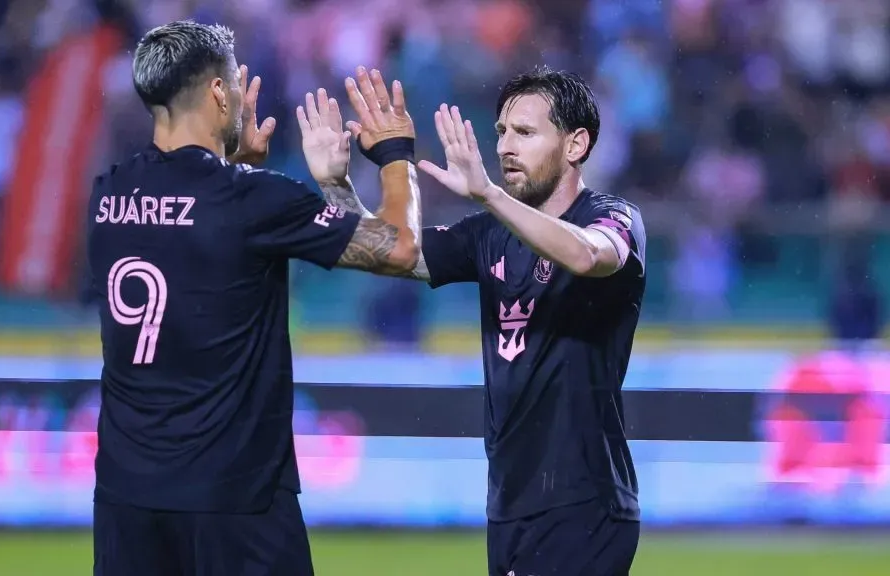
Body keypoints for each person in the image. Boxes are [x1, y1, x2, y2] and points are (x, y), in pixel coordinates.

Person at [85, 21, 420, 576]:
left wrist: (235, 165)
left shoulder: (108, 195)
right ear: (219, 92)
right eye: (236, 84)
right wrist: (395, 153)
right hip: (235, 498)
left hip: (128, 499)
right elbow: (401, 248)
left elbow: (197, 242)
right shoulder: (252, 199)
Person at [317, 67, 645, 575]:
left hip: (584, 501)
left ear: (576, 144)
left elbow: (586, 255)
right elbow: (387, 253)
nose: (506, 146)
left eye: (525, 132)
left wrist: (490, 194)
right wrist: (337, 183)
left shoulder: (612, 217)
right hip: (511, 504)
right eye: (501, 132)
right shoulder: (488, 235)